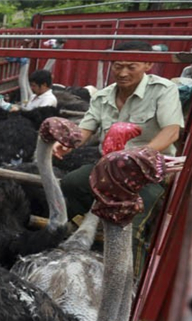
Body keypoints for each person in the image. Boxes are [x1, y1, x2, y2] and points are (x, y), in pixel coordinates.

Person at [54, 40, 184, 276]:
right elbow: (85, 129)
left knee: (131, 228)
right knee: (70, 184)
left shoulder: (163, 90)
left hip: (146, 172)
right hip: (108, 167)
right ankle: (95, 226)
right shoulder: (103, 95)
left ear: (148, 64)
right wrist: (66, 143)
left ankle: (131, 283)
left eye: (131, 66)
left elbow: (171, 131)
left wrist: (140, 155)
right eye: (118, 66)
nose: (123, 73)